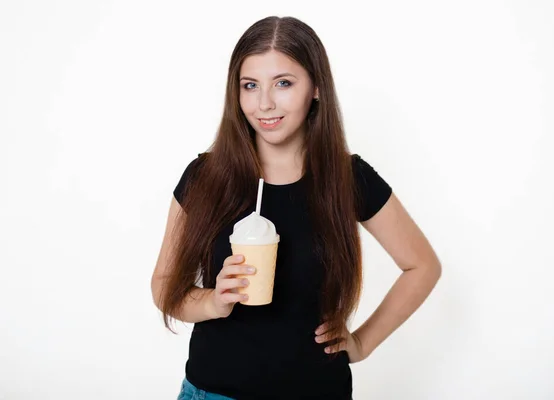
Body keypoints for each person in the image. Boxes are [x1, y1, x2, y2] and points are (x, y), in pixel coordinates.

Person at [151, 15, 442, 400]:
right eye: (250, 86)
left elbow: (422, 266)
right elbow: (163, 287)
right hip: (214, 392)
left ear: (316, 88)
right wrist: (214, 301)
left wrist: (362, 343)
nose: (265, 103)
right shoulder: (204, 176)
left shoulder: (347, 177)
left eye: (283, 83)